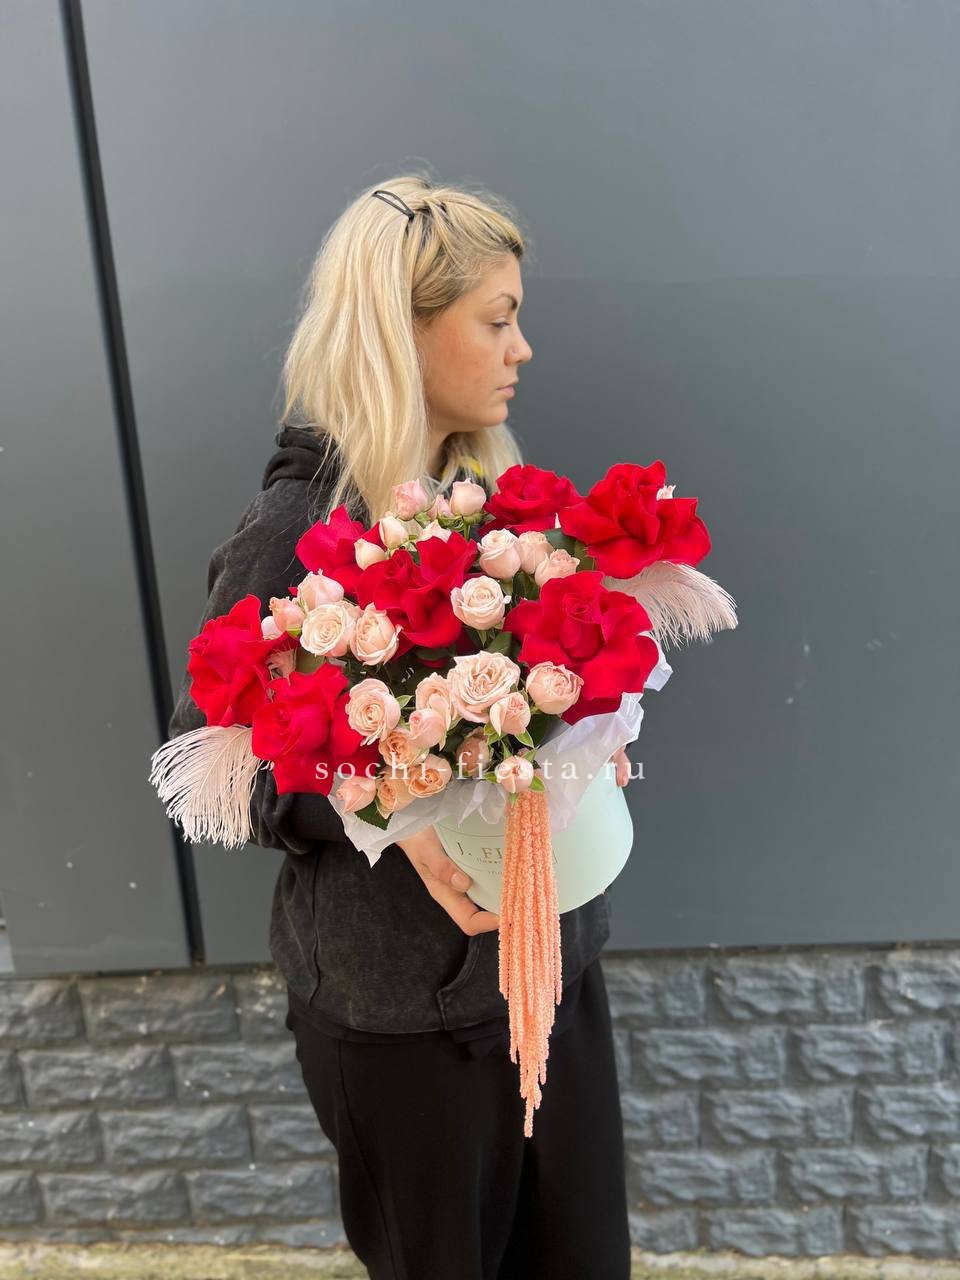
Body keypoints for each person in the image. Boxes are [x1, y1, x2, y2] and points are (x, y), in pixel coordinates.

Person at [166, 172, 634, 1279]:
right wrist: (384, 805)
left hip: (549, 973)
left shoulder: (486, 498)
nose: (522, 349)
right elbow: (209, 762)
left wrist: (581, 737)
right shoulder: (299, 523)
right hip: (407, 1022)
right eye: (498, 319)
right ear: (401, 330)